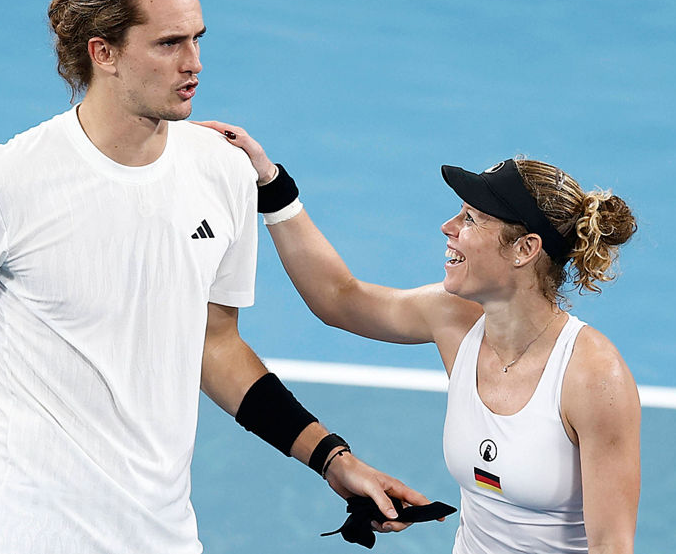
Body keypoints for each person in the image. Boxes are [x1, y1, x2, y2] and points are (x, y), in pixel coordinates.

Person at [0, 0, 431, 554]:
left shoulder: (225, 173)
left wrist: (331, 457)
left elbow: (214, 345)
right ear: (104, 53)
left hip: (164, 538)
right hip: (25, 535)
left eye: (198, 39)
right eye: (169, 43)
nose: (194, 63)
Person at [194, 120, 642, 553]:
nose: (448, 227)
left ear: (525, 249)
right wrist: (271, 184)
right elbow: (339, 299)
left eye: (471, 218)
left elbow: (611, 546)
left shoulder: (593, 376)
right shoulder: (454, 319)